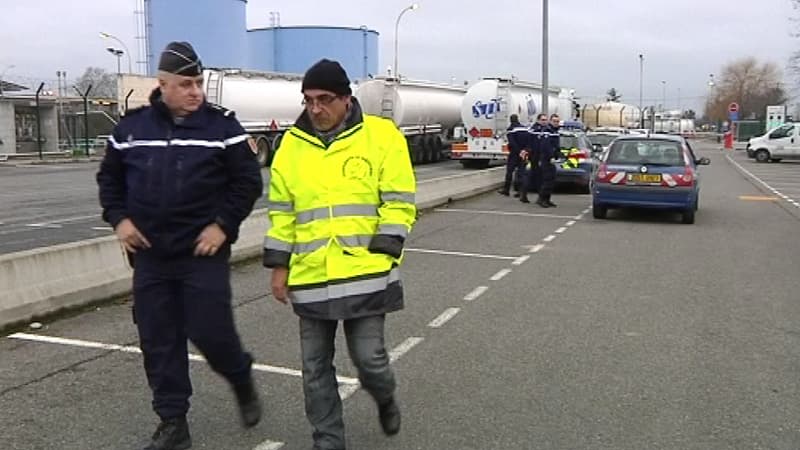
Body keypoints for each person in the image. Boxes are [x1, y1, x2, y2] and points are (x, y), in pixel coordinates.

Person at [97, 41, 264, 450]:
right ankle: (173, 422)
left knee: (211, 333)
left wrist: (222, 226)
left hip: (201, 256)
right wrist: (120, 220)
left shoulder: (222, 128)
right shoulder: (132, 130)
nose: (196, 92)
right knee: (158, 339)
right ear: (164, 85)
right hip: (151, 258)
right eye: (186, 84)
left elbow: (247, 183)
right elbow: (109, 181)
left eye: (199, 84)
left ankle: (239, 376)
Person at [263, 59, 417, 450]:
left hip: (366, 272)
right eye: (309, 100)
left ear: (346, 99)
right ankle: (328, 440)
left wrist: (386, 251)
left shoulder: (381, 137)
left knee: (370, 360)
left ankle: (384, 397)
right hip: (311, 277)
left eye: (325, 100)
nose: (315, 109)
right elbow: (282, 213)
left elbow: (399, 201)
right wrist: (279, 265)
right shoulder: (291, 147)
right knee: (315, 369)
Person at [520, 114, 549, 203]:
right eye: (543, 120)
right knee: (537, 177)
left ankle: (525, 195)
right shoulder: (535, 130)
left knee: (536, 176)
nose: (544, 121)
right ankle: (530, 196)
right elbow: (533, 144)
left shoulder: (541, 129)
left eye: (545, 120)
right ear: (538, 120)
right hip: (535, 156)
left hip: (538, 156)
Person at [498, 114, 528, 197]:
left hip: (514, 154)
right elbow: (528, 140)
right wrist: (524, 151)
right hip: (523, 153)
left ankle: (506, 190)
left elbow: (512, 143)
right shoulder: (524, 128)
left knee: (509, 172)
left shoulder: (511, 129)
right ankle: (521, 191)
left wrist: (518, 151)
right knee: (521, 173)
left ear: (511, 120)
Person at [536, 113, 561, 208]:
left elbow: (556, 146)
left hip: (552, 159)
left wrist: (558, 155)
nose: (556, 123)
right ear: (550, 121)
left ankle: (547, 199)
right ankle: (542, 199)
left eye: (557, 121)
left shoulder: (555, 131)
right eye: (554, 121)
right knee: (547, 180)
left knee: (551, 180)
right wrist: (551, 156)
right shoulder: (547, 131)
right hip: (546, 159)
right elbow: (546, 146)